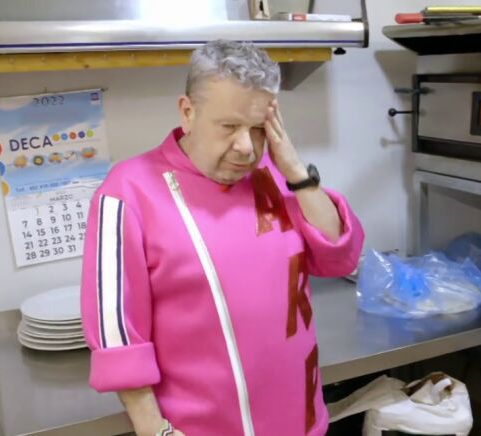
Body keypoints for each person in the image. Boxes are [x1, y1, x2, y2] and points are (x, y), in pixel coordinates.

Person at [80, 39, 365, 436]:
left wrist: (296, 171)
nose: (246, 148)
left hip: (301, 421)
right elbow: (117, 334)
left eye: (258, 128)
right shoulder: (128, 192)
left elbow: (339, 257)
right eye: (229, 127)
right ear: (188, 112)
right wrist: (155, 429)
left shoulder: (275, 176)